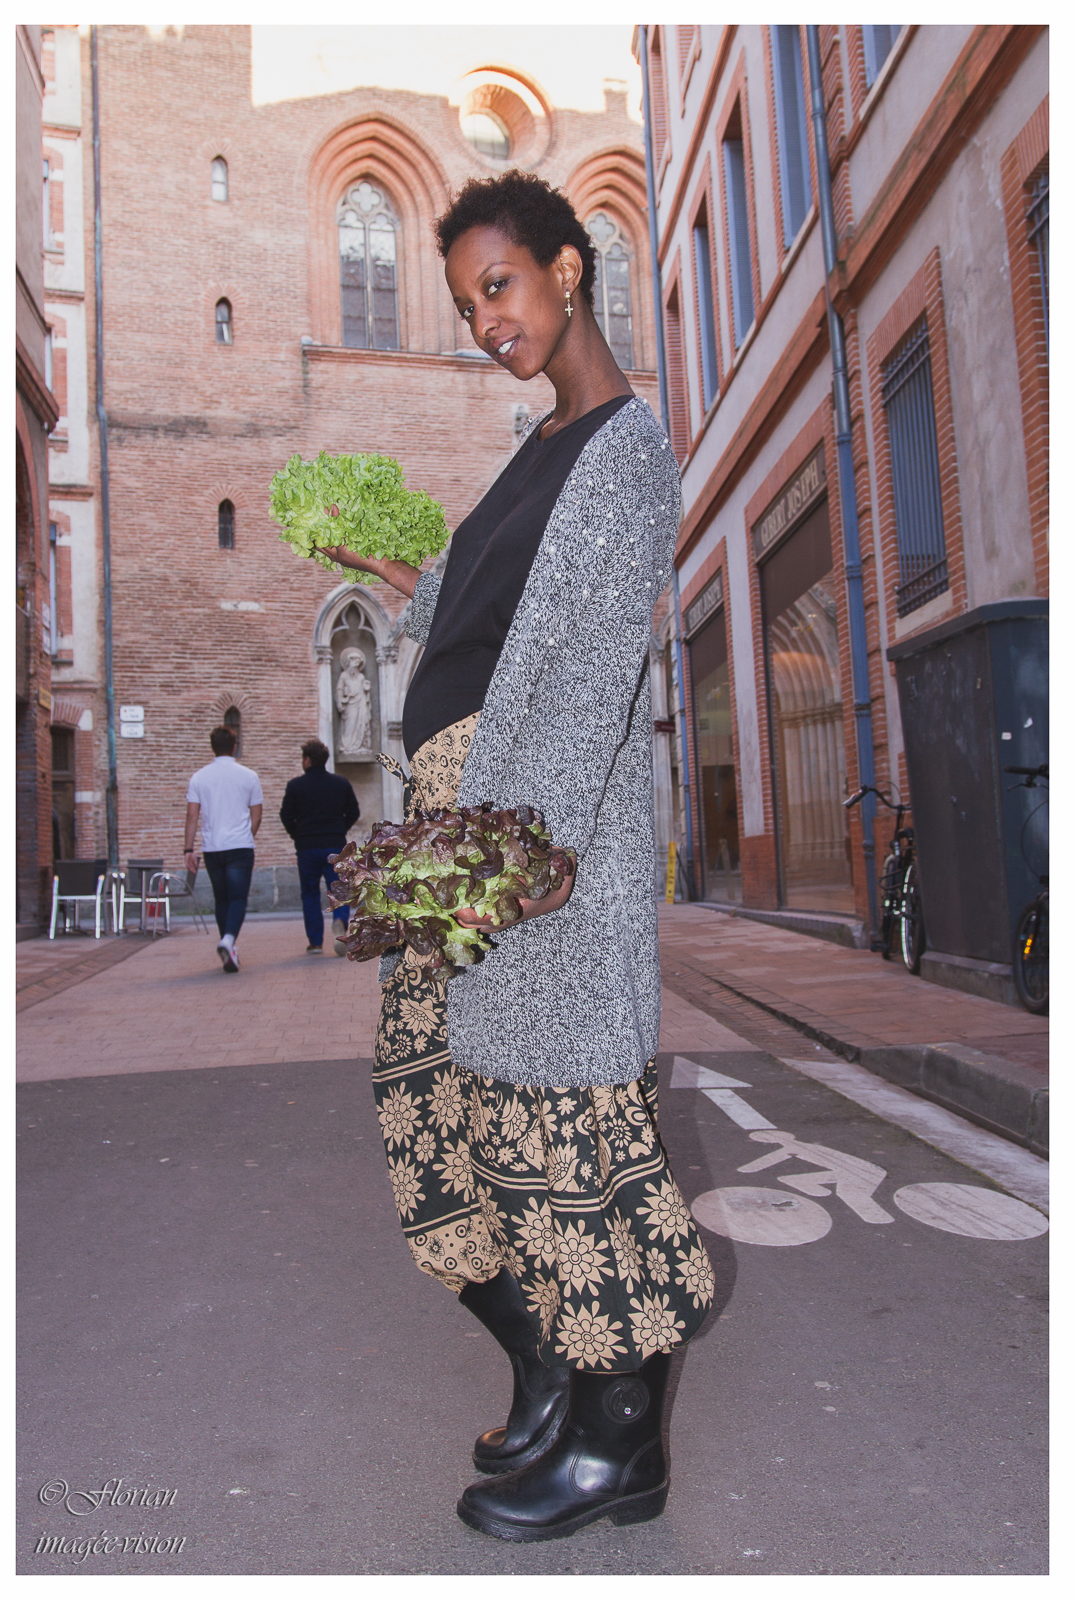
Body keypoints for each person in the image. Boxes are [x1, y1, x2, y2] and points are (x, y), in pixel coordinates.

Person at [311, 171, 714, 1543]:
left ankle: (618, 1441)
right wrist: (400, 576)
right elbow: (484, 611)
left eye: (501, 286)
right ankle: (549, 1364)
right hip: (458, 833)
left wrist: (524, 853)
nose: (487, 320)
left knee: (566, 1125)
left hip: (527, 836)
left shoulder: (622, 447)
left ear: (566, 268)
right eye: (468, 302)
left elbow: (587, 666)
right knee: (440, 1114)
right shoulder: (539, 443)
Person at [184, 724, 262, 973]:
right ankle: (228, 941)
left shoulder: (199, 777)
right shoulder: (249, 776)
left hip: (212, 847)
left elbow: (192, 815)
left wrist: (188, 850)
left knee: (222, 898)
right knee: (238, 898)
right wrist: (246, 837)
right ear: (234, 746)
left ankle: (229, 948)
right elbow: (257, 814)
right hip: (240, 845)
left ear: (212, 747)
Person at [278, 738, 360, 954]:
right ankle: (340, 922)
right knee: (340, 889)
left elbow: (285, 816)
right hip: (334, 845)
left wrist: (298, 834)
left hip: (307, 847)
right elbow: (354, 812)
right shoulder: (341, 783)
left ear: (307, 760)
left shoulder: (295, 786)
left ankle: (315, 942)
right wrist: (339, 829)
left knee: (310, 893)